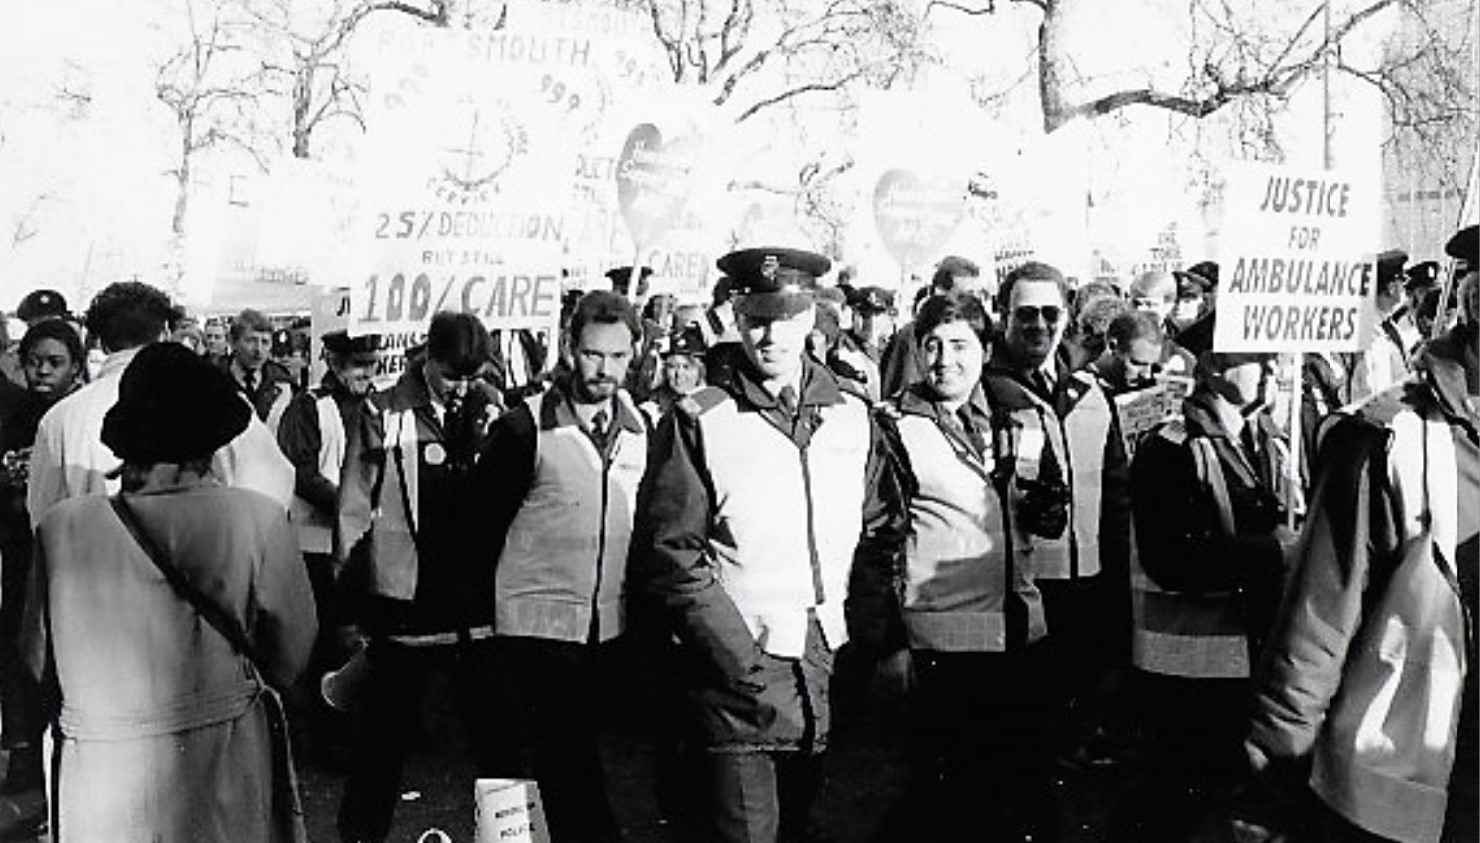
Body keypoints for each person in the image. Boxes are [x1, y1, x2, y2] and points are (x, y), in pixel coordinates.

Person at [630, 246, 907, 843]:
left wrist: (863, 633)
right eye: (754, 318)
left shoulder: (853, 418)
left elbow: (881, 534)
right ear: (735, 318)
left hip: (825, 668)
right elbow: (672, 555)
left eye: (784, 317)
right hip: (736, 682)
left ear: (811, 317)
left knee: (804, 825)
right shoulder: (699, 420)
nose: (768, 334)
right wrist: (736, 658)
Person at [21, 341, 317, 843]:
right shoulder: (257, 520)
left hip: (103, 770)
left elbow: (35, 660)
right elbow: (292, 653)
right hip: (222, 753)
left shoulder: (62, 528)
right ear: (211, 441)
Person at [1244, 223, 1478, 843]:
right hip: (1403, 795)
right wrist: (1272, 778)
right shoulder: (1387, 440)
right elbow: (1316, 629)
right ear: (1476, 301)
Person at [872, 292, 1055, 842]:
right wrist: (888, 642)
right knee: (946, 798)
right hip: (941, 645)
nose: (944, 359)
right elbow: (879, 542)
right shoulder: (895, 426)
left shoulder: (1019, 412)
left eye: (959, 345)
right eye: (931, 345)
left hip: (1020, 633)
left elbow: (1048, 507)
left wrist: (1048, 505)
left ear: (984, 347)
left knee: (1017, 794)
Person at [1110, 318, 1297, 843]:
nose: (1270, 366)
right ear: (1212, 365)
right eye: (1253, 356)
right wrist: (1276, 552)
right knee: (1174, 798)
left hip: (1241, 657)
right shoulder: (1170, 447)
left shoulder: (1266, 438)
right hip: (1184, 669)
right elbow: (1174, 558)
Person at [471, 291, 648, 843]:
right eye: (595, 354)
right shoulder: (525, 428)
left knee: (571, 764)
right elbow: (476, 530)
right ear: (571, 349)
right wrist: (478, 627)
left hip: (599, 634)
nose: (605, 370)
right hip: (525, 633)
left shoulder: (641, 429)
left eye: (619, 357)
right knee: (512, 779)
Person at [335, 311, 502, 843]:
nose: (462, 388)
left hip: (478, 609)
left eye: (472, 375)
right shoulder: (383, 412)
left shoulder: (495, 410)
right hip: (404, 608)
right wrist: (350, 602)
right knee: (381, 747)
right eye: (452, 375)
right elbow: (353, 511)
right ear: (427, 359)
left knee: (503, 744)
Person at [981, 261, 1132, 773]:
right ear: (1003, 316)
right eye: (1025, 313)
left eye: (1050, 312)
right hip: (1022, 584)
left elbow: (1116, 495)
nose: (1038, 325)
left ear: (1066, 317)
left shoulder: (1091, 395)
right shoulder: (985, 394)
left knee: (1074, 701)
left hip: (1086, 582)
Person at [27, 281, 294, 528]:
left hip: (94, 567)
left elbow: (43, 517)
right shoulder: (214, 400)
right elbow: (271, 489)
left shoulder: (61, 419)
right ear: (165, 332)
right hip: (205, 564)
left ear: (101, 342)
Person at [275, 330, 380, 766]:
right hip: (316, 543)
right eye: (358, 366)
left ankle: (355, 730)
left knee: (360, 640)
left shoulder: (379, 406)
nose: (366, 374)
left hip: (363, 541)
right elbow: (299, 470)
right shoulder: (309, 406)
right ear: (335, 364)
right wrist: (349, 503)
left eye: (371, 365)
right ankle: (323, 739)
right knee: (323, 644)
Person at [0, 320, 86, 835]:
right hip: (17, 555)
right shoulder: (12, 414)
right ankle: (27, 755)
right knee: (19, 650)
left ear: (76, 366)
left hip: (65, 557)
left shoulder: (76, 420)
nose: (43, 371)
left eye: (55, 362)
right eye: (35, 361)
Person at [879, 256, 985, 398]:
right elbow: (905, 396)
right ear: (940, 292)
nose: (973, 303)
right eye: (965, 295)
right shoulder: (913, 335)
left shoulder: (973, 332)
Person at [220, 309, 297, 431]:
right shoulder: (213, 382)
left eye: (265, 342)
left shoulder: (283, 383)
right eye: (250, 341)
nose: (258, 350)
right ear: (232, 342)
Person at [640, 324, 708, 425]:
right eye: (672, 366)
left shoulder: (713, 407)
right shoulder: (650, 411)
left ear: (700, 371)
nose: (679, 374)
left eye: (686, 367)